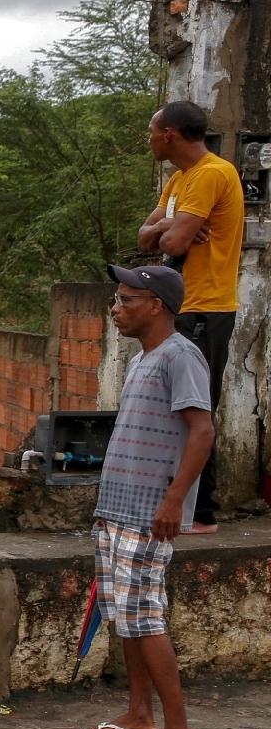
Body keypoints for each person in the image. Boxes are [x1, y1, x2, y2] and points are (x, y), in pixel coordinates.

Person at [82, 266, 213, 729]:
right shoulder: (143, 360)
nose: (116, 308)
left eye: (126, 299)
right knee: (126, 617)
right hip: (117, 509)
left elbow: (202, 432)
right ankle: (139, 715)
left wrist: (174, 501)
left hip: (146, 512)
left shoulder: (181, 357)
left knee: (147, 618)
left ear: (156, 304)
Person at [136, 100, 242, 532]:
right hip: (185, 305)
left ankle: (202, 512)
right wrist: (169, 226)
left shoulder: (212, 174)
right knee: (170, 406)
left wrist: (170, 230)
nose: (148, 139)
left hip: (207, 306)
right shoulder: (179, 181)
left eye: (151, 131)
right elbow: (147, 238)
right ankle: (182, 505)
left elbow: (176, 245)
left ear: (169, 135)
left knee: (194, 407)